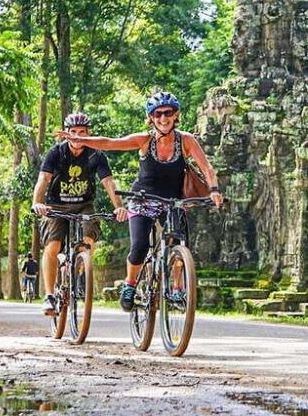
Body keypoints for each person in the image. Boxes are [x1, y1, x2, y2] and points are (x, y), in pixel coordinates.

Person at [55, 88, 224, 312]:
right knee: (140, 246)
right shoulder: (144, 140)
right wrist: (79, 139)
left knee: (179, 244)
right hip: (142, 200)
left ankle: (176, 289)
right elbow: (110, 143)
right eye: (157, 114)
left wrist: (214, 190)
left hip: (173, 201)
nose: (163, 118)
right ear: (151, 118)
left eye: (168, 113)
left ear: (176, 115)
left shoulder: (187, 141)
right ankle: (130, 284)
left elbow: (207, 168)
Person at [32, 112, 128, 316]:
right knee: (53, 245)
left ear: (88, 134)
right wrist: (37, 203)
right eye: (73, 132)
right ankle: (49, 296)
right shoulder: (55, 153)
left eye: (82, 132)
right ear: (66, 133)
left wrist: (118, 206)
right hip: (56, 206)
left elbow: (109, 182)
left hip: (85, 205)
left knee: (87, 241)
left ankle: (77, 268)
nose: (77, 136)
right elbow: (43, 179)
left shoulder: (96, 154)